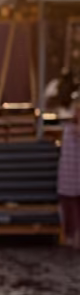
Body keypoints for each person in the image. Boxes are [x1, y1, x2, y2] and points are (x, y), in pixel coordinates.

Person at [60, 91, 80, 249]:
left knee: (72, 203)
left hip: (72, 172)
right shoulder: (69, 128)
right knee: (70, 203)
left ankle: (73, 235)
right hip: (70, 172)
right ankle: (71, 235)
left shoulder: (69, 128)